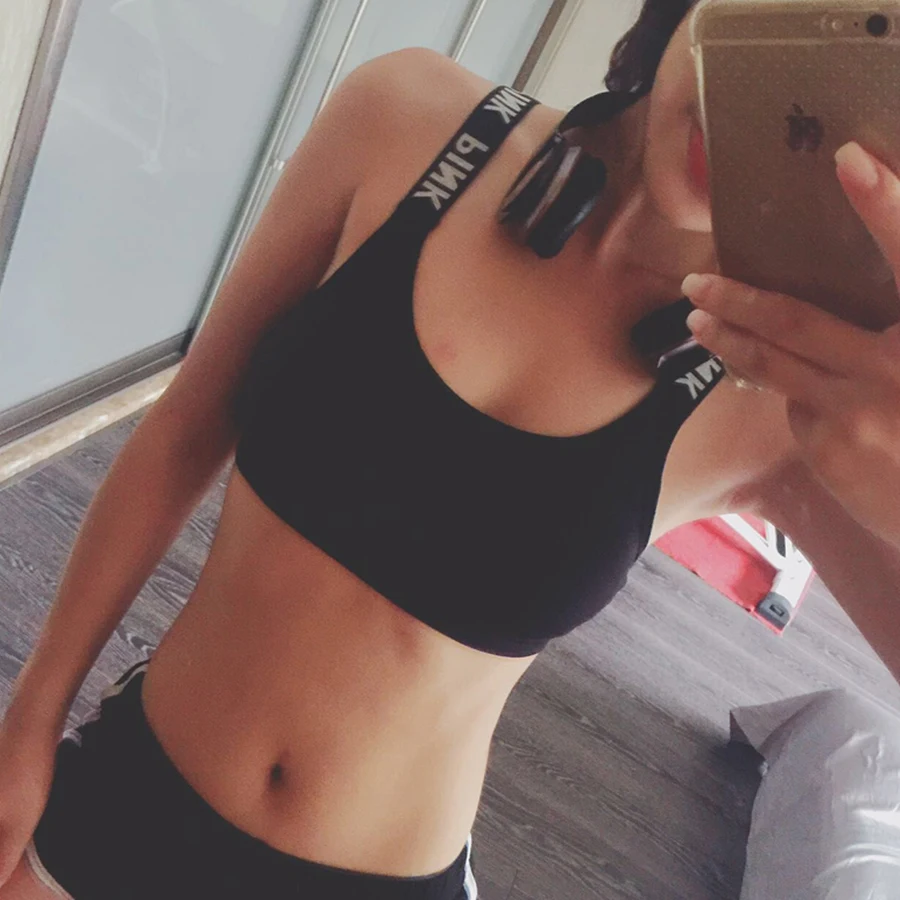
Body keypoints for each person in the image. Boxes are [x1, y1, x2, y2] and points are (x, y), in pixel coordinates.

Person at [2, 0, 899, 897]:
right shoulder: (404, 116)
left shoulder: (785, 393)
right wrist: (32, 719)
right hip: (134, 798)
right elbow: (181, 433)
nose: (779, 107)